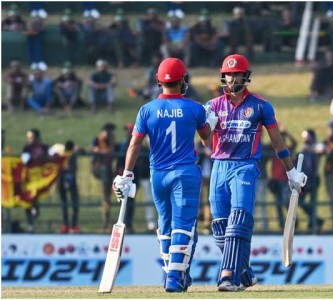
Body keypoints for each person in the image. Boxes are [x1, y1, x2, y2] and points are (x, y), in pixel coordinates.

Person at [203, 54, 307, 291]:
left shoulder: (260, 106)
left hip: (245, 166)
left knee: (238, 222)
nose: (231, 79)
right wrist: (206, 123)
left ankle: (228, 276)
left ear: (245, 76)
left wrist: (291, 172)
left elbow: (278, 141)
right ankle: (245, 273)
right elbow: (205, 140)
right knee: (220, 226)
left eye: (236, 74)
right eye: (228, 74)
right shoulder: (212, 106)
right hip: (219, 166)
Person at [112, 57, 217, 292]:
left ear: (159, 81)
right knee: (183, 225)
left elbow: (135, 145)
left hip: (157, 174)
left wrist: (126, 174)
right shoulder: (194, 108)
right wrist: (211, 119)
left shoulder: (147, 109)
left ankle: (176, 274)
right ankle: (173, 277)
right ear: (183, 80)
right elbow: (206, 138)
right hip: (185, 172)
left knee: (165, 225)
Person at [21, 129, 50, 233]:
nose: (29, 140)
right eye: (28, 137)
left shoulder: (45, 147)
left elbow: (51, 159)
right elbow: (24, 160)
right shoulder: (26, 148)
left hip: (42, 178)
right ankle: (30, 223)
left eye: (31, 137)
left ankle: (35, 214)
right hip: (30, 178)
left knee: (36, 198)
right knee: (28, 199)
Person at [90, 123, 117, 232]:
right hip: (99, 167)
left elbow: (111, 152)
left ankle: (106, 221)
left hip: (108, 169)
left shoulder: (111, 141)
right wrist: (102, 151)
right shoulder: (97, 139)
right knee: (106, 193)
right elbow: (92, 149)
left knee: (107, 195)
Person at [297, 129, 323, 233]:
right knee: (300, 201)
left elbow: (321, 149)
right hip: (304, 179)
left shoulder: (316, 146)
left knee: (312, 202)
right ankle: (316, 220)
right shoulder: (303, 148)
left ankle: (312, 223)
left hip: (313, 178)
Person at [57, 140, 80, 234]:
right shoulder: (71, 155)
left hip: (62, 180)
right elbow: (72, 169)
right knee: (74, 203)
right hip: (69, 180)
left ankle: (65, 225)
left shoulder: (61, 154)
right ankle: (73, 226)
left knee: (64, 203)